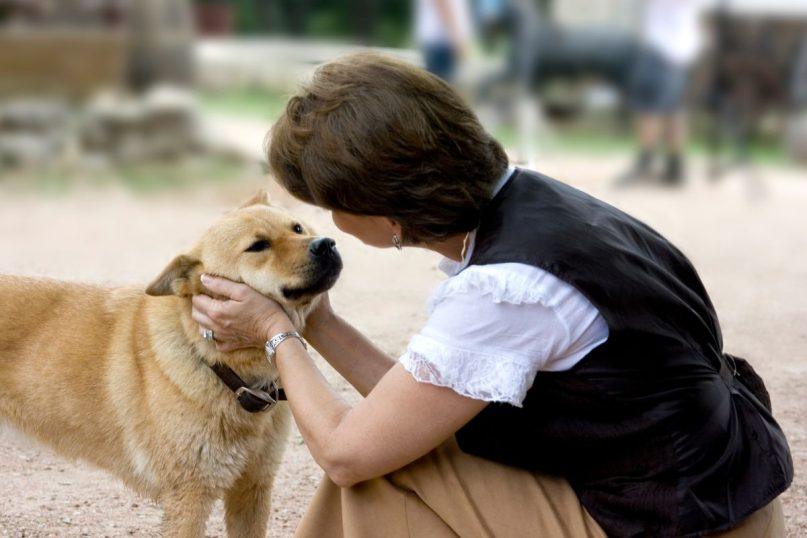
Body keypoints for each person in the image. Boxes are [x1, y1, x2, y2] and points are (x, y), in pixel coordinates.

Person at [191, 53, 791, 537]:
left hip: (676, 520)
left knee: (371, 476)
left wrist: (277, 334)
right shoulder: (540, 209)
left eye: (328, 206)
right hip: (712, 490)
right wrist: (315, 319)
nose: (326, 225)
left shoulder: (507, 290)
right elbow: (419, 407)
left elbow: (348, 452)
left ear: (387, 212)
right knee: (395, 452)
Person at [617, 0, 706, 187]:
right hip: (679, 51)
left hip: (664, 49)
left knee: (650, 109)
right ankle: (675, 166)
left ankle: (646, 162)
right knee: (674, 110)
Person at [415, 0, 473, 82]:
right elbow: (443, 4)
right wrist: (457, 39)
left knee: (437, 86)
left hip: (439, 43)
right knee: (442, 88)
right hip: (443, 43)